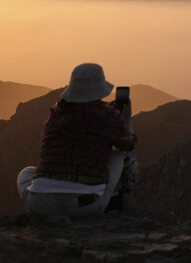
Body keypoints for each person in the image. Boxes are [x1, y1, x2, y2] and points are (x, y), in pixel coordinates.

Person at [17, 63, 138, 217]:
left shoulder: (55, 115)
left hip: (42, 205)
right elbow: (128, 144)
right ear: (100, 89)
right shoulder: (108, 116)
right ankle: (116, 201)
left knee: (26, 173)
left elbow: (82, 118)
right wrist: (126, 120)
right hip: (85, 207)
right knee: (120, 155)